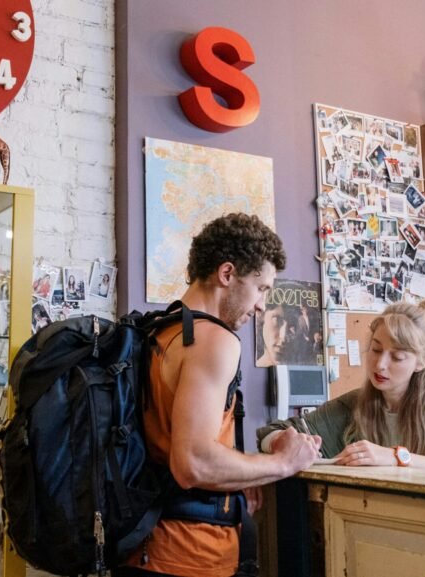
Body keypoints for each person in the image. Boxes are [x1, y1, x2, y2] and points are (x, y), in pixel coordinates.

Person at [116, 213, 320, 577]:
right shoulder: (214, 340)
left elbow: (177, 443)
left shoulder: (162, 333)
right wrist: (282, 464)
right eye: (261, 289)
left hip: (144, 550)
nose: (261, 305)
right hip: (188, 556)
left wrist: (245, 475)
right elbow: (192, 462)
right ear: (227, 274)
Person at [256, 297, 425, 474]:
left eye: (396, 357)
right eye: (376, 349)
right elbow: (270, 431)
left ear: (421, 363)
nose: (380, 364)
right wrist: (284, 442)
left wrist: (394, 457)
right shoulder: (351, 405)